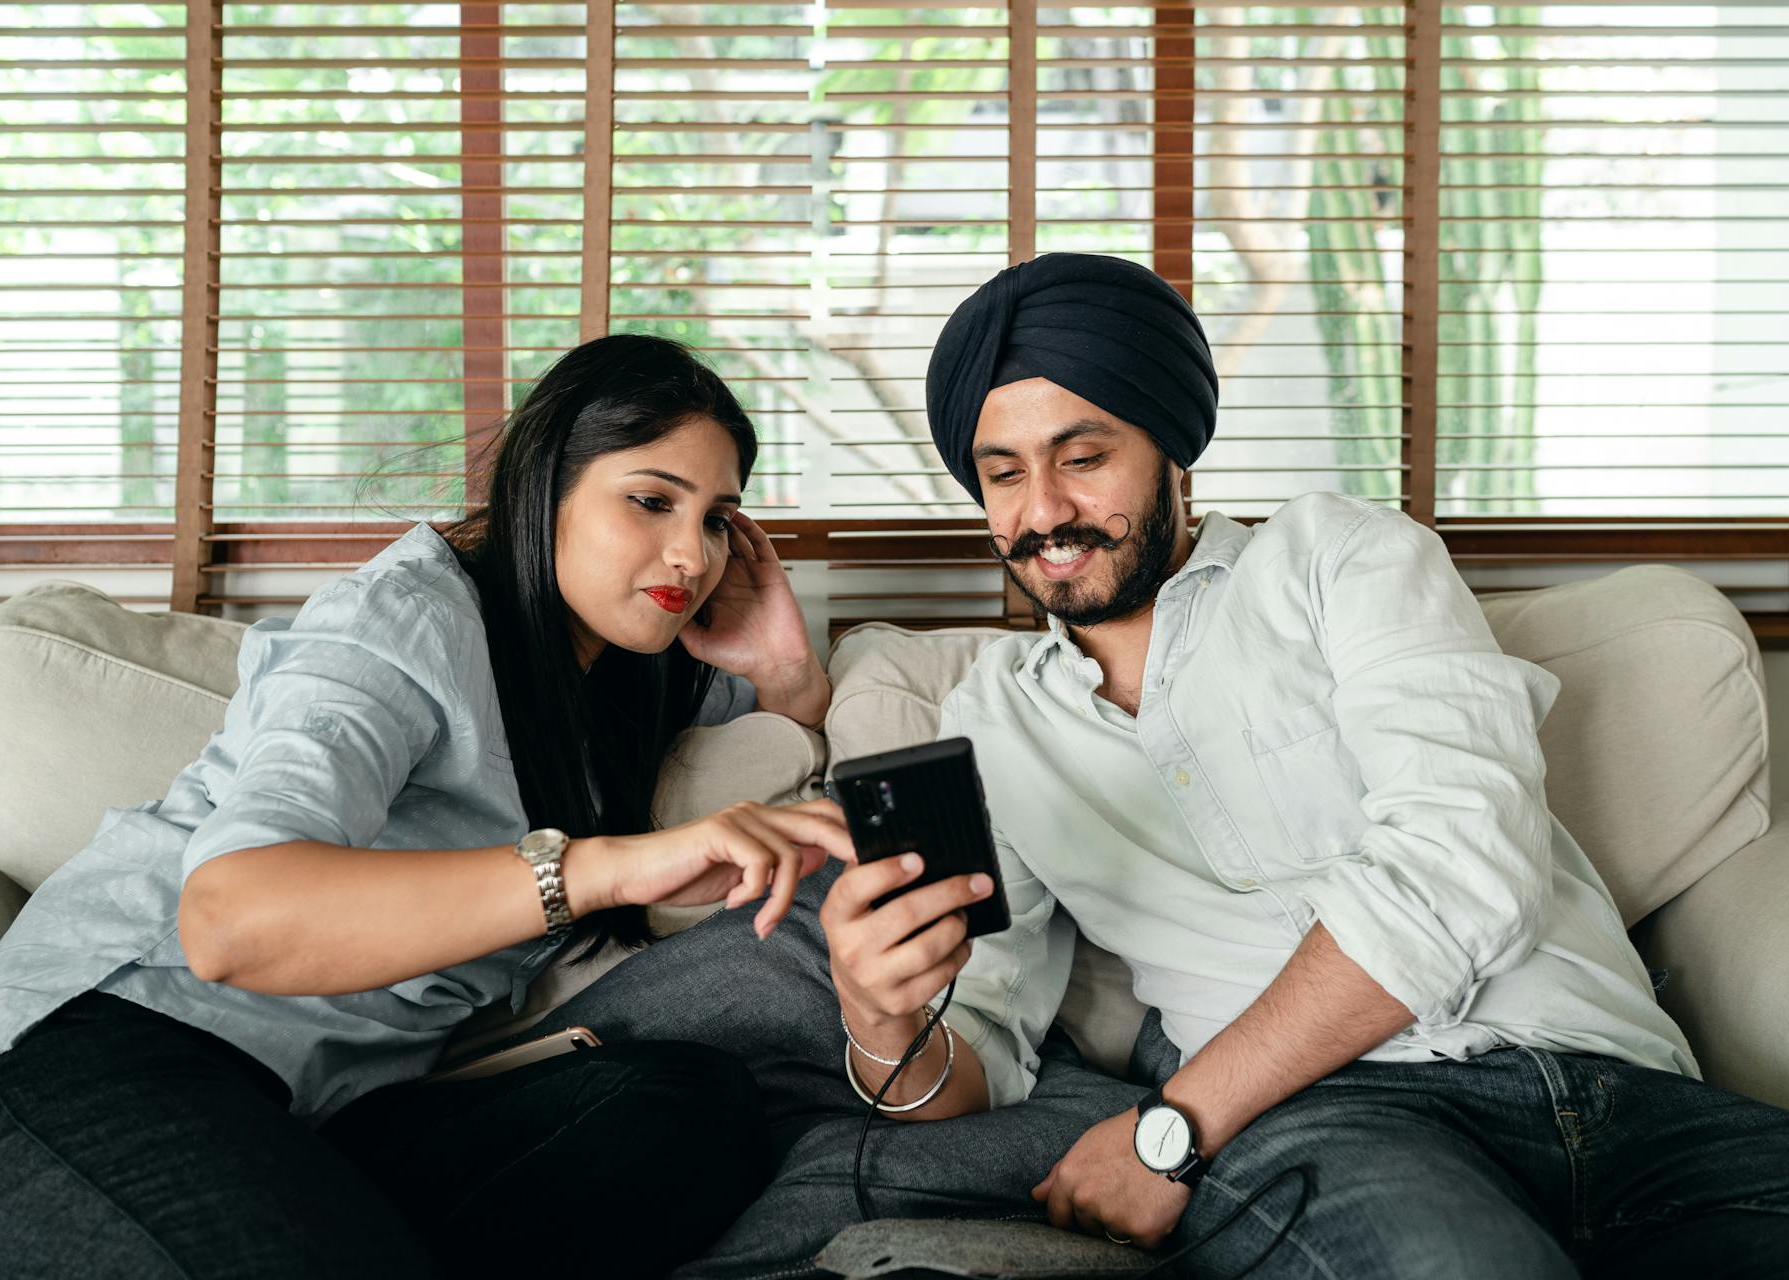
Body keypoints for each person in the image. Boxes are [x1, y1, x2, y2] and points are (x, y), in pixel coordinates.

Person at [521, 254, 1789, 1279]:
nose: (1043, 512)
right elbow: (982, 1059)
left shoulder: (1342, 559)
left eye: (1085, 455)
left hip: (1621, 1087)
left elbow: (1461, 861)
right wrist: (881, 1020)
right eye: (1002, 474)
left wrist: (1171, 1127)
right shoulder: (994, 728)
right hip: (1336, 1129)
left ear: (1173, 449)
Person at [0, 334, 855, 1280]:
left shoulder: (624, 682)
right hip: (89, 1066)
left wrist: (781, 663)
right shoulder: (402, 620)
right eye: (652, 500)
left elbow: (795, 727)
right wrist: (600, 866)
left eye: (719, 518)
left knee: (696, 1112)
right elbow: (230, 917)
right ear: (543, 485)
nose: (691, 552)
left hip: (322, 1119)